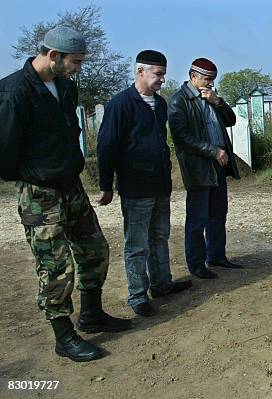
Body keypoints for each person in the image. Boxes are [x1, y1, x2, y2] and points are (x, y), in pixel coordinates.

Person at [0, 26, 131, 362]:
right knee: (55, 267)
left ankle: (92, 314)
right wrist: (35, 176)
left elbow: (69, 131)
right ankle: (63, 334)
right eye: (75, 62)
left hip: (70, 188)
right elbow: (5, 152)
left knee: (95, 251)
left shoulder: (64, 87)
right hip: (39, 194)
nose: (79, 68)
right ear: (53, 56)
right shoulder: (14, 91)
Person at [97, 50, 191, 318]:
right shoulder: (121, 104)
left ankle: (161, 284)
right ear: (140, 72)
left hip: (159, 184)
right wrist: (106, 184)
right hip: (136, 186)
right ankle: (138, 295)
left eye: (163, 73)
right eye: (157, 73)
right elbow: (107, 146)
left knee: (160, 237)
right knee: (137, 244)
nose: (162, 78)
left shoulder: (159, 105)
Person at [168, 58, 242, 279]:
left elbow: (231, 121)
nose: (210, 83)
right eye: (207, 79)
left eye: (212, 80)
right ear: (193, 77)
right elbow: (181, 137)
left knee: (218, 213)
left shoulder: (212, 97)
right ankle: (197, 264)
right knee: (197, 217)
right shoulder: (179, 100)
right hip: (198, 166)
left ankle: (217, 255)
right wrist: (211, 150)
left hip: (218, 164)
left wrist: (217, 102)